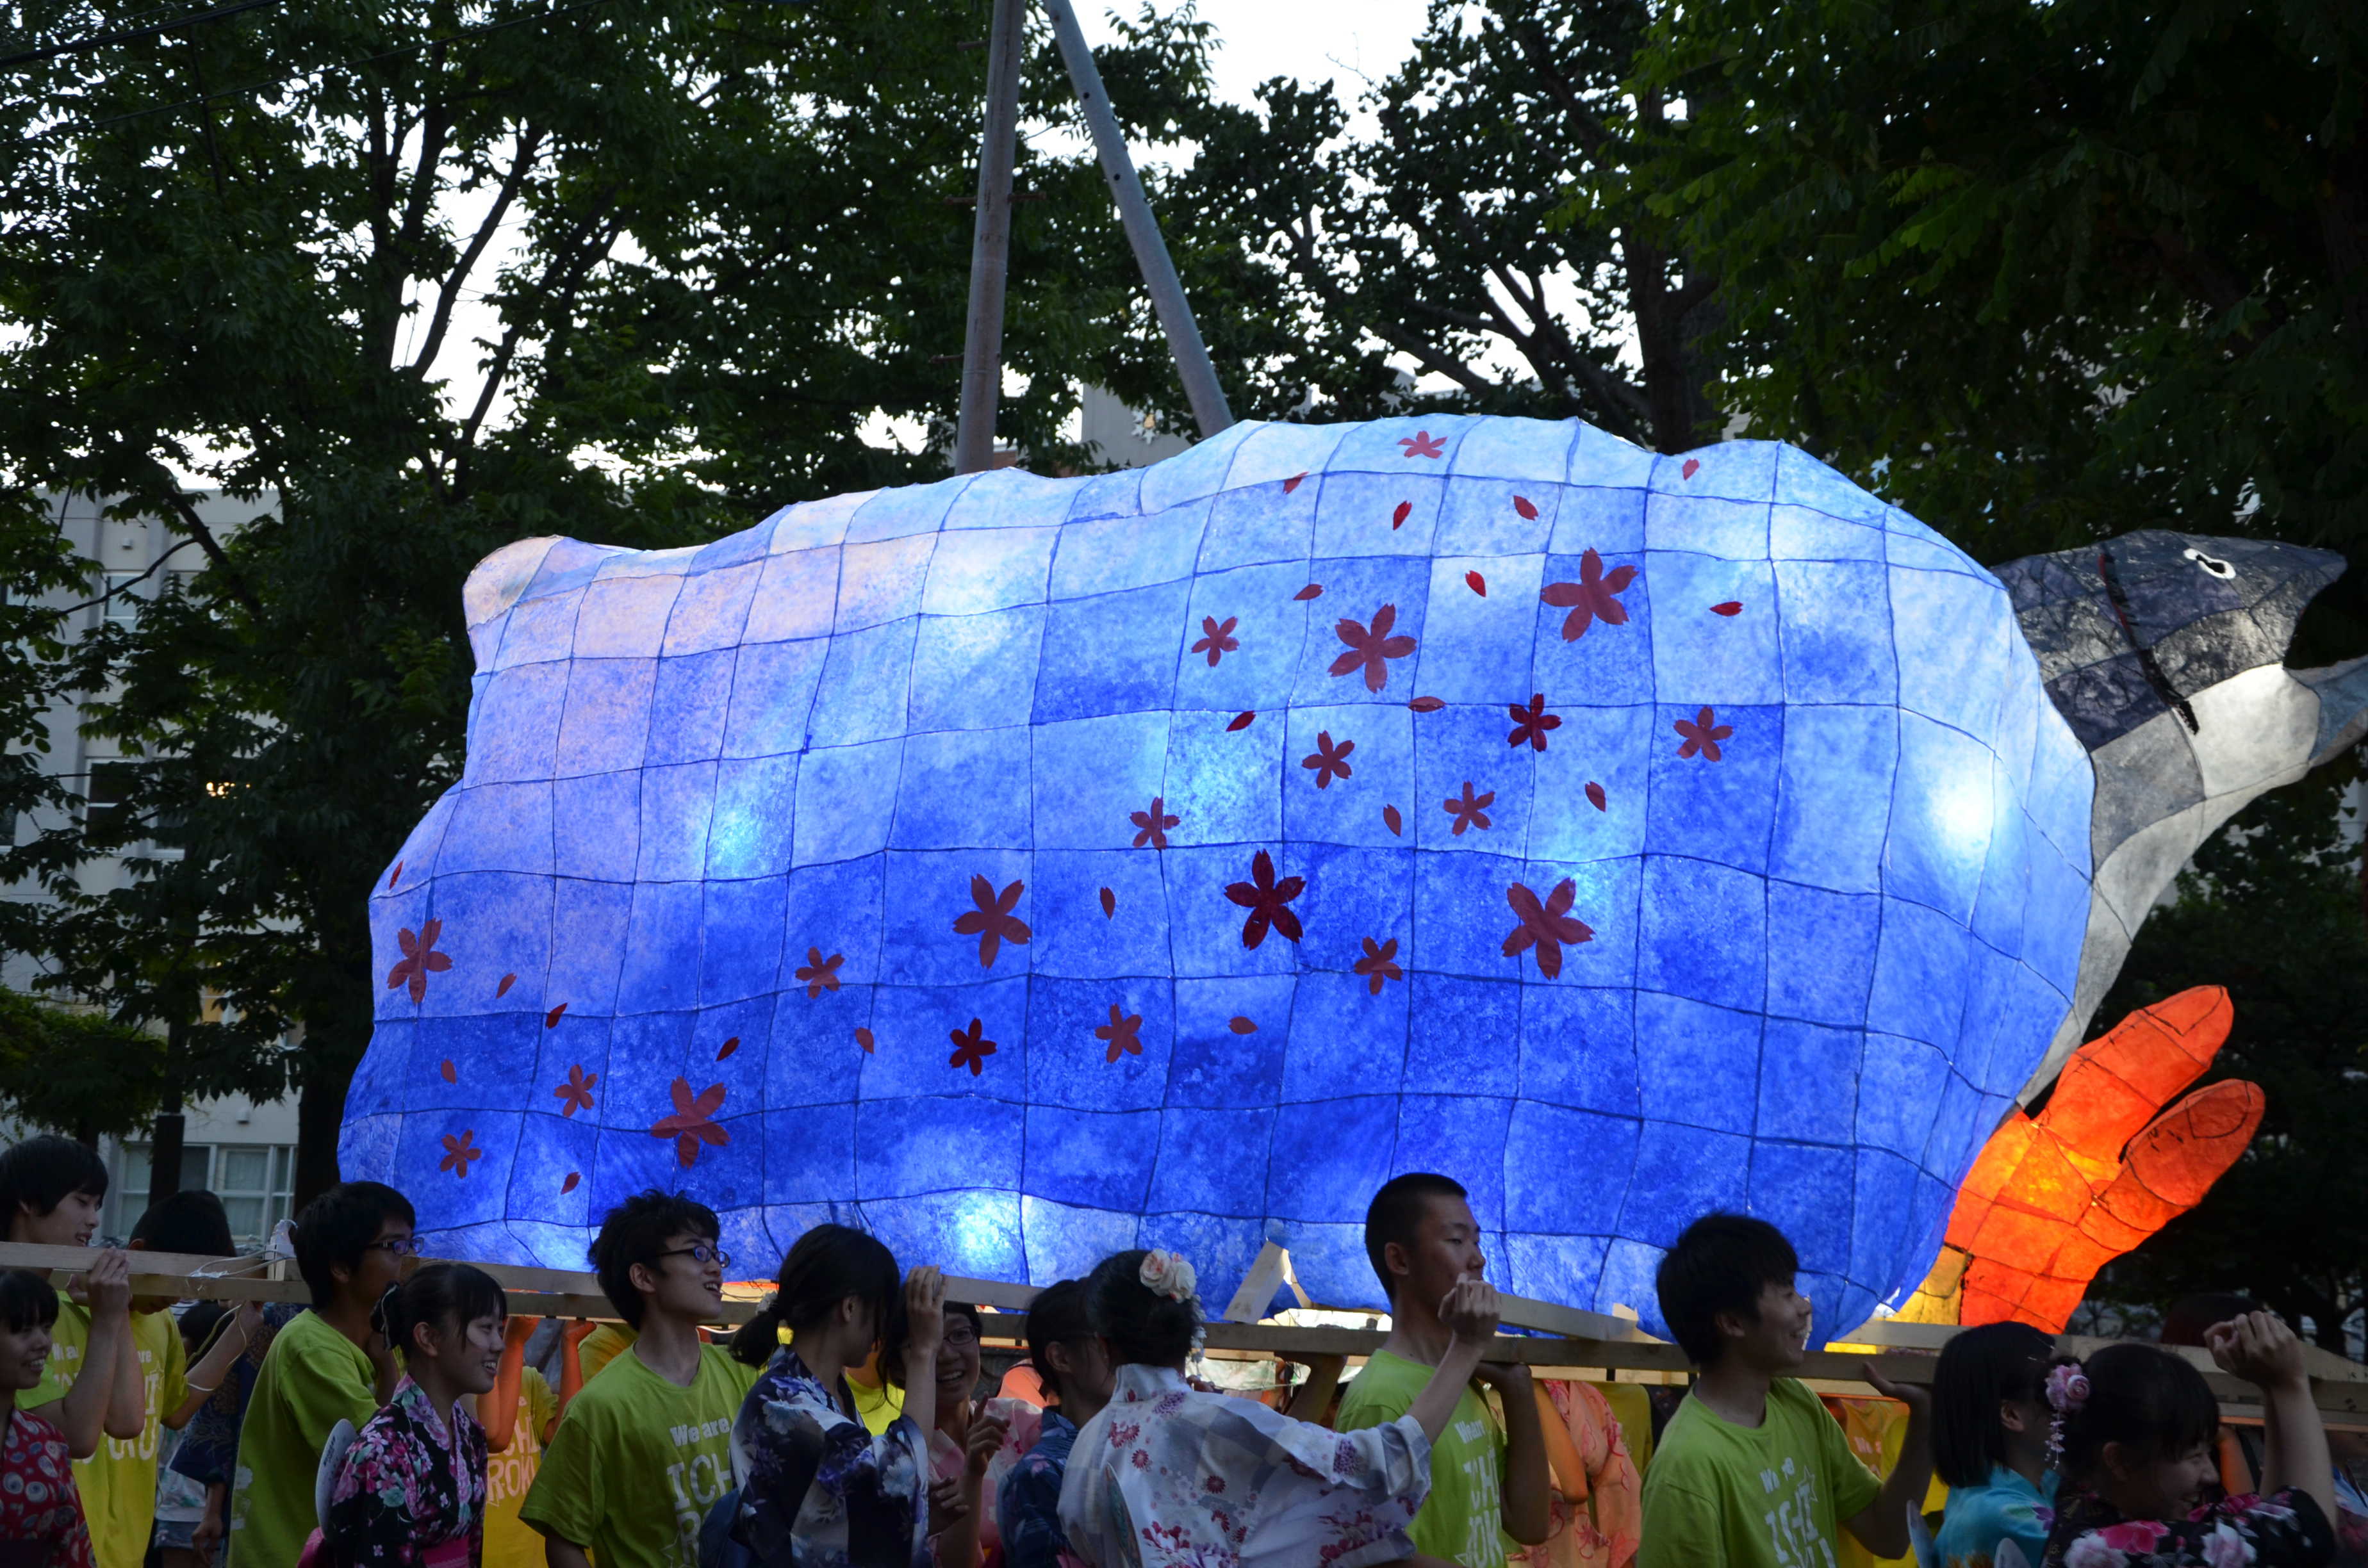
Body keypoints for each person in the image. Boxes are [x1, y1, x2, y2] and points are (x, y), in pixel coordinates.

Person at [1058, 1246, 1501, 1568]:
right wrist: (1466, 1347)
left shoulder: (1084, 1450)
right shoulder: (1213, 1421)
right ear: (1187, 1329)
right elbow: (1377, 1465)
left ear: (1103, 1343)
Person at [1636, 1213, 1932, 1568]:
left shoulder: (1796, 1401)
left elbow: (1888, 1536)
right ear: (1732, 1322)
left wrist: (1925, 1417)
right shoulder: (1685, 1469)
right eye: (1787, 1293)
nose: (1805, 1306)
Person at [520, 1191, 761, 1568]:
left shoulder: (743, 1373)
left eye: (717, 1254)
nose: (716, 1267)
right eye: (698, 1252)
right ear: (644, 1276)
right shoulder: (599, 1407)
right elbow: (563, 1541)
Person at [1335, 1173, 1551, 1568]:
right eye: (1456, 1241)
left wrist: (1519, 1387)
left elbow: (1530, 1524)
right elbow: (1366, 1556)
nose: (1478, 1259)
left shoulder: (1461, 1377)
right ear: (1400, 1260)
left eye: (1477, 1241)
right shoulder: (1380, 1398)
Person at [718, 1221, 944, 1567]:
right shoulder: (782, 1404)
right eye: (880, 1312)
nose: (882, 1330)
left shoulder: (821, 1390)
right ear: (850, 1308)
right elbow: (900, 1469)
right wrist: (924, 1351)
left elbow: (856, 1505)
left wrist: (927, 1512)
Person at [2039, 1314, 2337, 1567]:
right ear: (2120, 1460)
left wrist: (2272, 1385)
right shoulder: (2101, 1551)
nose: (2211, 1475)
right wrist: (2290, 1384)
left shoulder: (2092, 1517)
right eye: (2194, 1456)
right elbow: (2309, 1531)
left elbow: (2278, 1515)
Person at [228, 1180, 416, 1568]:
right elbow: (386, 1461)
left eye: (411, 1244)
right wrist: (388, 1367)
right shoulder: (311, 1347)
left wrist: (388, 1361)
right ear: (341, 1267)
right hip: (290, 1555)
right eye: (394, 1246)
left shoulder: (382, 1337)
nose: (408, 1259)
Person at [320, 1264, 508, 1567]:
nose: (499, 1345)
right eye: (486, 1328)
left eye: (500, 1329)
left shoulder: (470, 1432)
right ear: (428, 1338)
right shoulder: (383, 1450)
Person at [1, 1134, 139, 1463]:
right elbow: (74, 1438)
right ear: (29, 1201)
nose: (93, 1220)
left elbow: (127, 1421)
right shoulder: (8, 1301)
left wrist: (116, 1313)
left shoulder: (76, 1294)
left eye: (97, 1206)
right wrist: (107, 1320)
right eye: (81, 1201)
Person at [884, 1300, 1007, 1568]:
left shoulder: (1020, 1419)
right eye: (926, 1342)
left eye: (960, 1334)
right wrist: (972, 1475)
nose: (947, 1355)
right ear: (898, 1367)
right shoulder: (900, 1464)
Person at [994, 1280, 1108, 1568]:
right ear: (1060, 1357)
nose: (1124, 1350)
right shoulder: (1040, 1475)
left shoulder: (1135, 1441)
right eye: (1105, 1337)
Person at [1931, 1321, 2059, 1568]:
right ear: (2012, 1414)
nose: (2071, 1405)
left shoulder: (1979, 1494)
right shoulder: (2005, 1517)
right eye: (2056, 1391)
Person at [0, 1267, 98, 1568]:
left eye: (46, 1327)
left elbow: (70, 1545)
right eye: (23, 1330)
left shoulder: (46, 1438)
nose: (42, 1342)